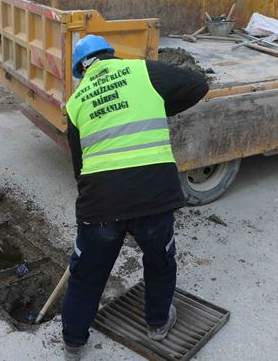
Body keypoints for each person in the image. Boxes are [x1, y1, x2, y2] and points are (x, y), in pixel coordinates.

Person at [61, 35, 209, 360]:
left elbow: (79, 168)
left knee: (86, 274)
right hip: (152, 195)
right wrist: (158, 104)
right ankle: (157, 324)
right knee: (159, 261)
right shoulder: (143, 73)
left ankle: (73, 341)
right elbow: (197, 85)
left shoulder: (76, 102)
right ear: (110, 56)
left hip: (100, 204)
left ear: (82, 70)